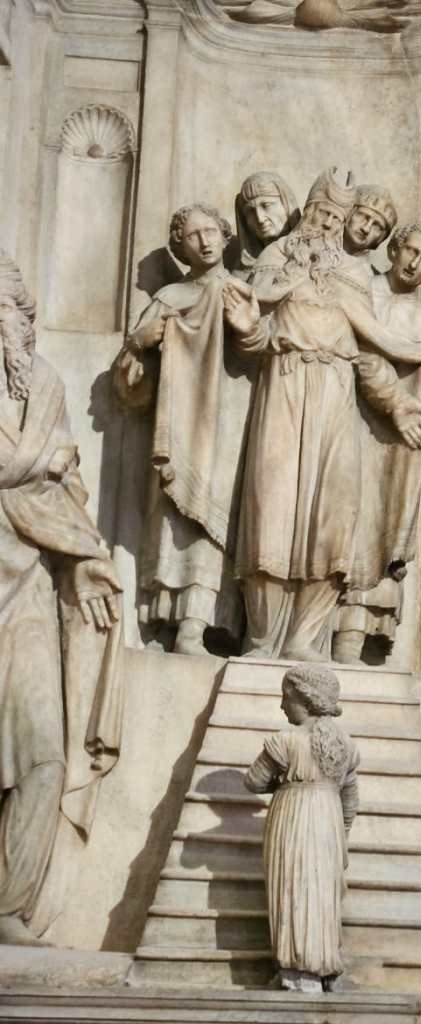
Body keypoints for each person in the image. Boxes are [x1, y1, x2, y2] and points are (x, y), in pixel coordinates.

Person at [224, 168, 421, 661]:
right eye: (321, 213)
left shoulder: (355, 275)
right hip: (284, 382)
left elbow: (373, 350)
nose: (327, 224)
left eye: (336, 218)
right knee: (270, 502)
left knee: (332, 512)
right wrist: (247, 327)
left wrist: (398, 402)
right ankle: (262, 636)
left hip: (337, 391)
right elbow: (257, 334)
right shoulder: (278, 257)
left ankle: (305, 636)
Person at [0, 251, 124, 945]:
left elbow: (65, 492)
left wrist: (80, 566)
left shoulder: (44, 385)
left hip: (30, 593)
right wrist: (34, 467)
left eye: (3, 312)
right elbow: (41, 474)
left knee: (44, 757)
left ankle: (8, 906)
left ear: (22, 317)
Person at [113, 203, 252, 655]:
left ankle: (199, 624)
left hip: (227, 425)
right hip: (178, 427)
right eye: (192, 235)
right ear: (180, 245)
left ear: (225, 235)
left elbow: (262, 350)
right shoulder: (170, 298)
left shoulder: (240, 291)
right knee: (173, 523)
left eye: (210, 231)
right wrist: (141, 342)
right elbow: (128, 386)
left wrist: (247, 330)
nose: (204, 241)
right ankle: (163, 621)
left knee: (214, 521)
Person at [334, 222, 421, 663]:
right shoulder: (360, 287)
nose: (414, 263)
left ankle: (352, 637)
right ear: (395, 249)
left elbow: (419, 387)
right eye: (411, 251)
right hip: (342, 418)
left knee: (374, 526)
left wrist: (412, 401)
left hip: (385, 441)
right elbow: (357, 351)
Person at [244, 665, 359, 992]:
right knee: (321, 893)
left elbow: (253, 782)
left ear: (306, 700)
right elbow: (351, 799)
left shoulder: (285, 741)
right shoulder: (347, 745)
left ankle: (295, 971)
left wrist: (284, 784)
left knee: (293, 887)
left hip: (293, 816)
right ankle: (320, 968)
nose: (282, 705)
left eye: (286, 697)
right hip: (328, 820)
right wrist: (342, 835)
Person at [233, 171, 300, 277]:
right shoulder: (240, 274)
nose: (260, 219)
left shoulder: (310, 253)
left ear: (286, 204)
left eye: (266, 205)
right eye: (250, 211)